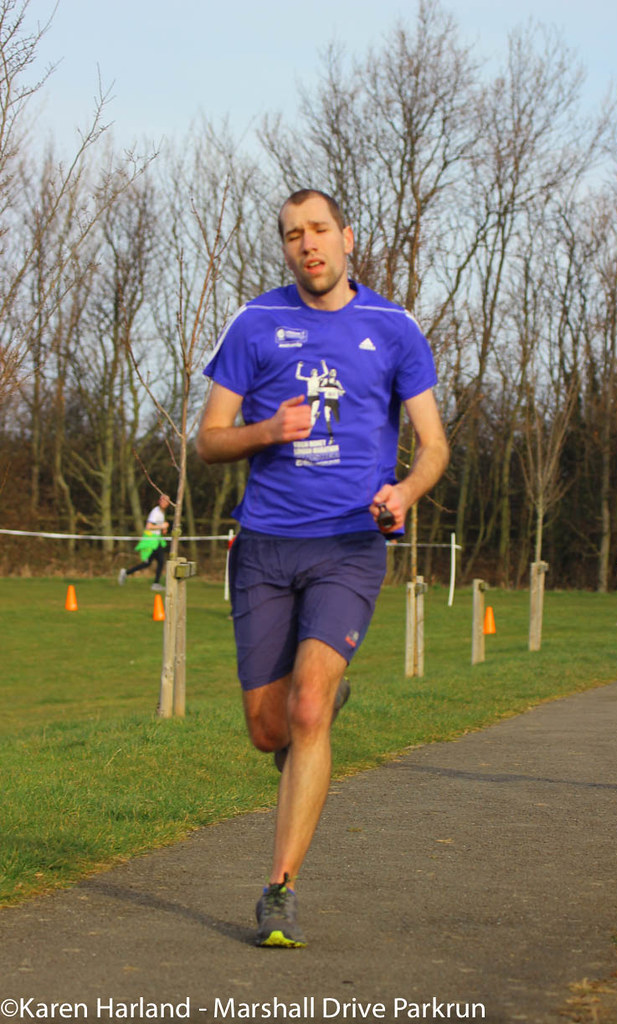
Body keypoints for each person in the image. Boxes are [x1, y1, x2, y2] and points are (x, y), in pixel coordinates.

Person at [196, 188, 449, 948]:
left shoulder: (393, 327)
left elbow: (434, 443)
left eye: (317, 231)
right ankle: (313, 718)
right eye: (291, 236)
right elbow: (208, 440)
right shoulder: (253, 323)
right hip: (265, 547)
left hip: (348, 543)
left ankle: (278, 890)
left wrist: (404, 490)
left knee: (307, 709)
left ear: (346, 237)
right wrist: (266, 429)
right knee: (267, 728)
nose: (306, 245)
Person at [118, 494, 170, 591]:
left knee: (150, 563)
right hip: (151, 541)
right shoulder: (156, 512)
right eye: (163, 500)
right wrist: (162, 526)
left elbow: (157, 526)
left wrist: (163, 529)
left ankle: (126, 573)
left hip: (156, 540)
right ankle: (155, 583)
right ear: (159, 501)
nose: (164, 502)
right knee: (159, 561)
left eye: (166, 501)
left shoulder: (162, 513)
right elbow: (149, 526)